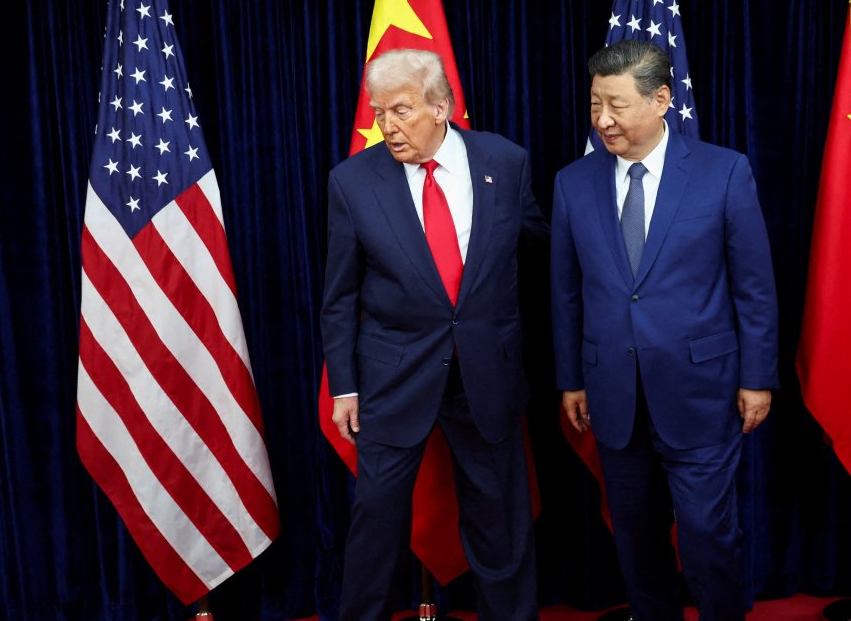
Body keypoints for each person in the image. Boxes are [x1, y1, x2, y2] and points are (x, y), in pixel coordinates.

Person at [550, 39, 778, 621]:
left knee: (707, 536)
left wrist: (758, 377)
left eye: (617, 105)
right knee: (636, 538)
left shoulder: (723, 171)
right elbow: (567, 292)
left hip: (701, 391)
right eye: (596, 103)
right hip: (613, 396)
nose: (603, 119)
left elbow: (753, 287)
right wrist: (571, 378)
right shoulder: (572, 183)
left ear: (661, 99)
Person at [320, 48, 544, 621]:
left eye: (400, 110)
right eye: (378, 112)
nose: (387, 126)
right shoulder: (352, 181)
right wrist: (344, 386)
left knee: (499, 520)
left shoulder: (506, 161)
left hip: (486, 372)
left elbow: (539, 257)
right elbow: (340, 296)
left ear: (440, 107)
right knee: (376, 522)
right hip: (394, 375)